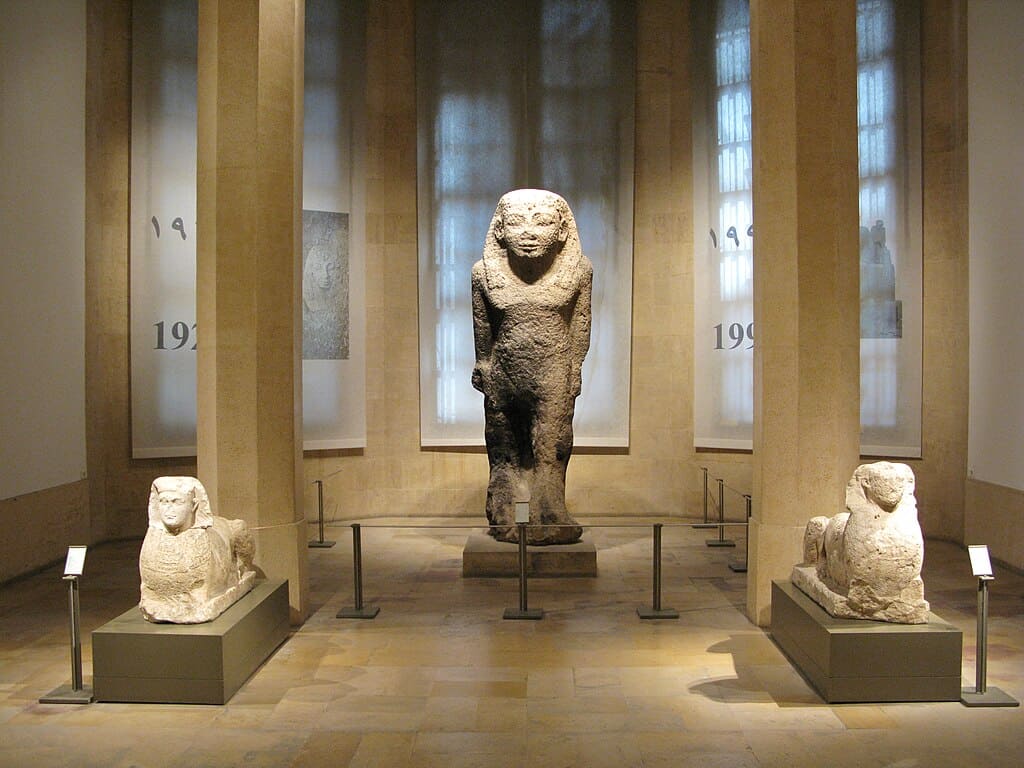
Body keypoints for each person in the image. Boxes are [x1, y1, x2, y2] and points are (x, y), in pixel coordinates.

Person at [471, 189, 592, 545]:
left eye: (541, 222)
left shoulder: (579, 272)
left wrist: (575, 366)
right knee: (504, 450)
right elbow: (483, 326)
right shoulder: (483, 274)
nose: (528, 232)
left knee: (552, 448)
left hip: (554, 369)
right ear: (499, 230)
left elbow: (580, 325)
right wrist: (483, 363)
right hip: (503, 370)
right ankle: (508, 513)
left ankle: (550, 513)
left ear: (562, 231)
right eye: (516, 222)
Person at [139, 476, 255, 623]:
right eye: (164, 502)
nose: (169, 509)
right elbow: (148, 589)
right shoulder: (153, 539)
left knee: (239, 528)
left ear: (193, 506)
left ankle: (239, 571)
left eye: (177, 502)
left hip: (211, 568)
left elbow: (201, 595)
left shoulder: (205, 538)